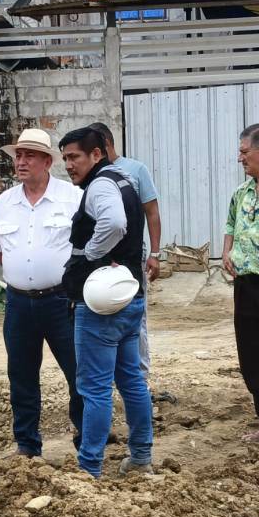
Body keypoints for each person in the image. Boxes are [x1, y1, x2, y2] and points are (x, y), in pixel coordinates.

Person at [0, 128, 84, 459]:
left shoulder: (73, 198)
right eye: (18, 156)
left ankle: (87, 441)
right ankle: (27, 446)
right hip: (19, 303)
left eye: (29, 156)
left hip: (61, 301)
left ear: (47, 162)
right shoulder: (5, 203)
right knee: (22, 376)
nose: (21, 162)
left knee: (78, 373)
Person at [58, 126, 153, 479]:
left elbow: (113, 223)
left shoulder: (100, 185)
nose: (69, 165)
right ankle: (141, 457)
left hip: (101, 305)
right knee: (131, 381)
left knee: (94, 389)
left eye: (74, 157)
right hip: (128, 296)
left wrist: (90, 256)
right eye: (65, 158)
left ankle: (89, 468)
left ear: (96, 154)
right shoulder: (124, 180)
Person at [219, 123, 259, 443]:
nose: (240, 158)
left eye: (244, 152)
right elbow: (231, 223)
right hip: (245, 284)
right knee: (252, 353)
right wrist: (226, 251)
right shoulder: (241, 193)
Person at [92, 121, 164, 387]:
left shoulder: (135, 170)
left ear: (105, 145)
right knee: (102, 311)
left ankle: (139, 377)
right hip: (100, 257)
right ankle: (111, 374)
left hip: (132, 256)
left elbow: (152, 212)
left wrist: (155, 252)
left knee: (136, 314)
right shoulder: (92, 175)